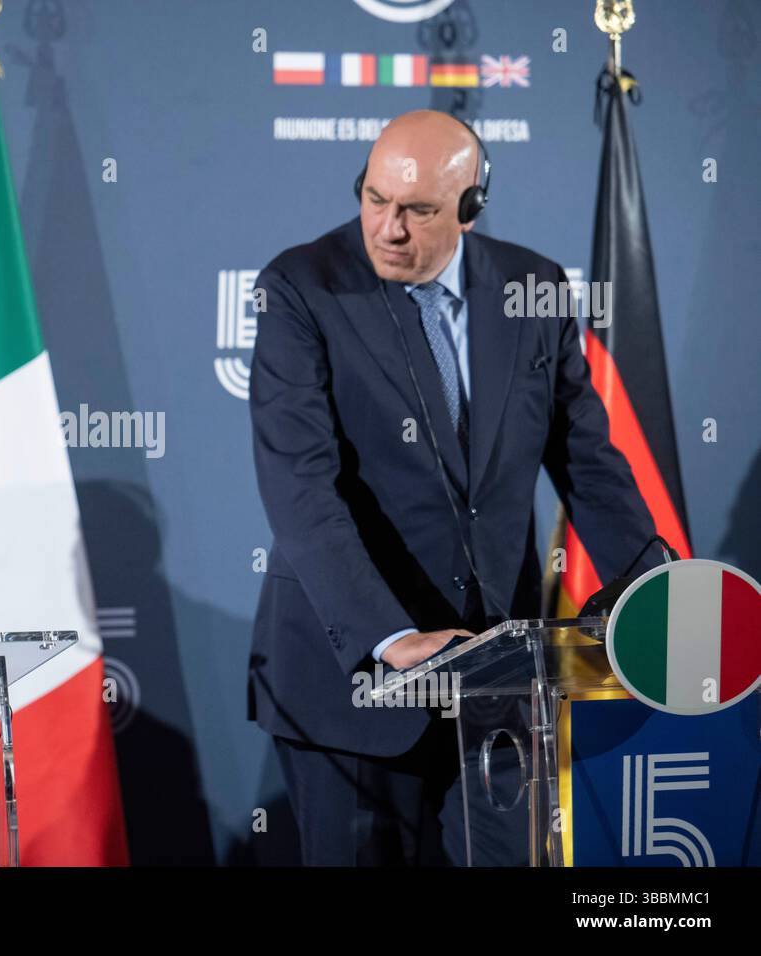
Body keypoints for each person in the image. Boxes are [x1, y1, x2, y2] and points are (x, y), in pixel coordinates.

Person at [247, 110, 659, 865]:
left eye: (418, 210)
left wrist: (652, 588)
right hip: (355, 687)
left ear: (470, 208)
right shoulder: (301, 288)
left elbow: (588, 459)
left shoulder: (533, 287)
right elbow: (299, 485)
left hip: (497, 678)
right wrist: (393, 638)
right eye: (374, 200)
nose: (388, 229)